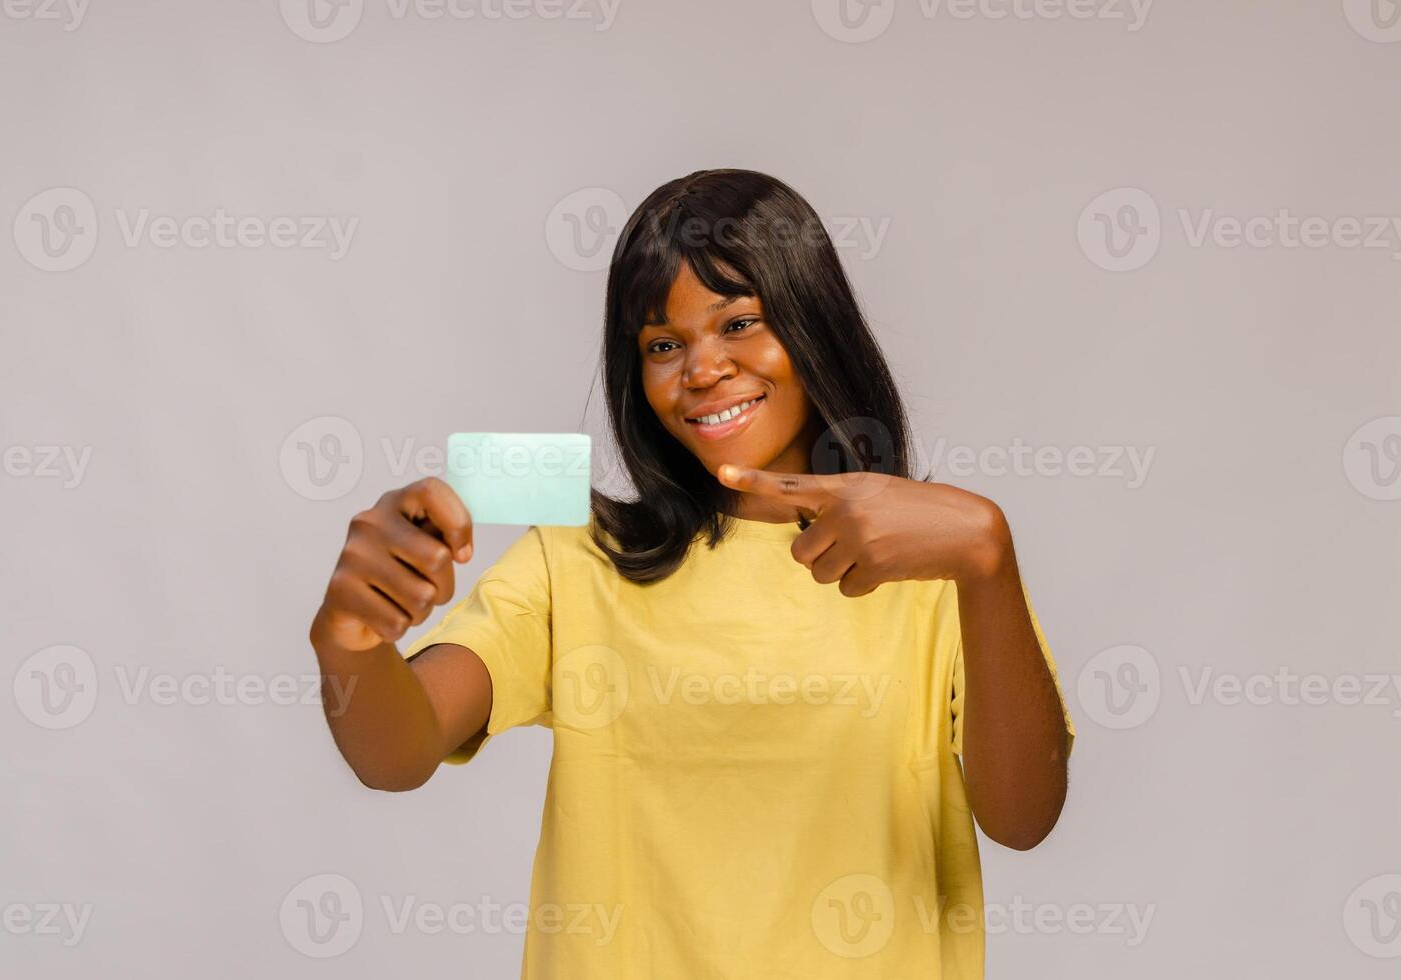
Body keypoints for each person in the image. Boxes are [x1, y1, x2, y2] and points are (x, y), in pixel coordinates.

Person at [308, 168, 1076, 978]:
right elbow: (397, 754)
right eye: (663, 345)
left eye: (739, 322)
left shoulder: (930, 569)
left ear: (817, 327)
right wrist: (350, 641)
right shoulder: (581, 558)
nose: (701, 369)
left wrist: (989, 560)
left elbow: (1024, 816)